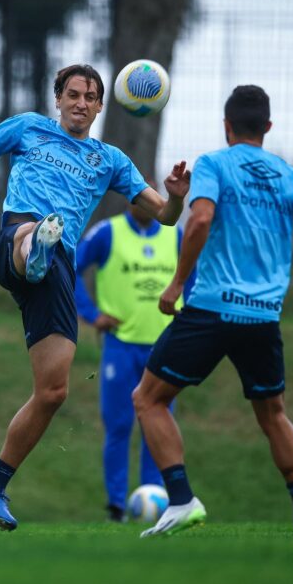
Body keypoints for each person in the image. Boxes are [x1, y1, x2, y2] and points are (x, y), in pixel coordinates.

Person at [0, 63, 190, 530]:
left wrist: (176, 196)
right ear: (57, 99)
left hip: (58, 271)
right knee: (35, 232)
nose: (80, 102)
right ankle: (35, 244)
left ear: (100, 105)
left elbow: (165, 216)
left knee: (53, 391)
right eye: (72, 94)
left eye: (90, 96)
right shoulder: (28, 128)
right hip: (15, 238)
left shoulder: (110, 159)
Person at [131, 85, 293, 540]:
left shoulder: (215, 164)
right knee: (273, 414)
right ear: (267, 127)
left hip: (212, 308)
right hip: (263, 317)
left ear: (227, 127)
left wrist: (178, 282)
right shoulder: (290, 177)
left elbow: (200, 220)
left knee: (148, 398)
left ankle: (182, 500)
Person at [74, 180, 195, 522]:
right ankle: (116, 506)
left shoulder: (176, 236)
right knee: (119, 425)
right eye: (141, 199)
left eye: (153, 199)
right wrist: (92, 314)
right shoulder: (106, 233)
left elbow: (195, 278)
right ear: (130, 201)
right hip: (120, 346)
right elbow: (70, 268)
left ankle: (156, 500)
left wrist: (188, 319)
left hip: (165, 346)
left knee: (157, 425)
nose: (147, 204)